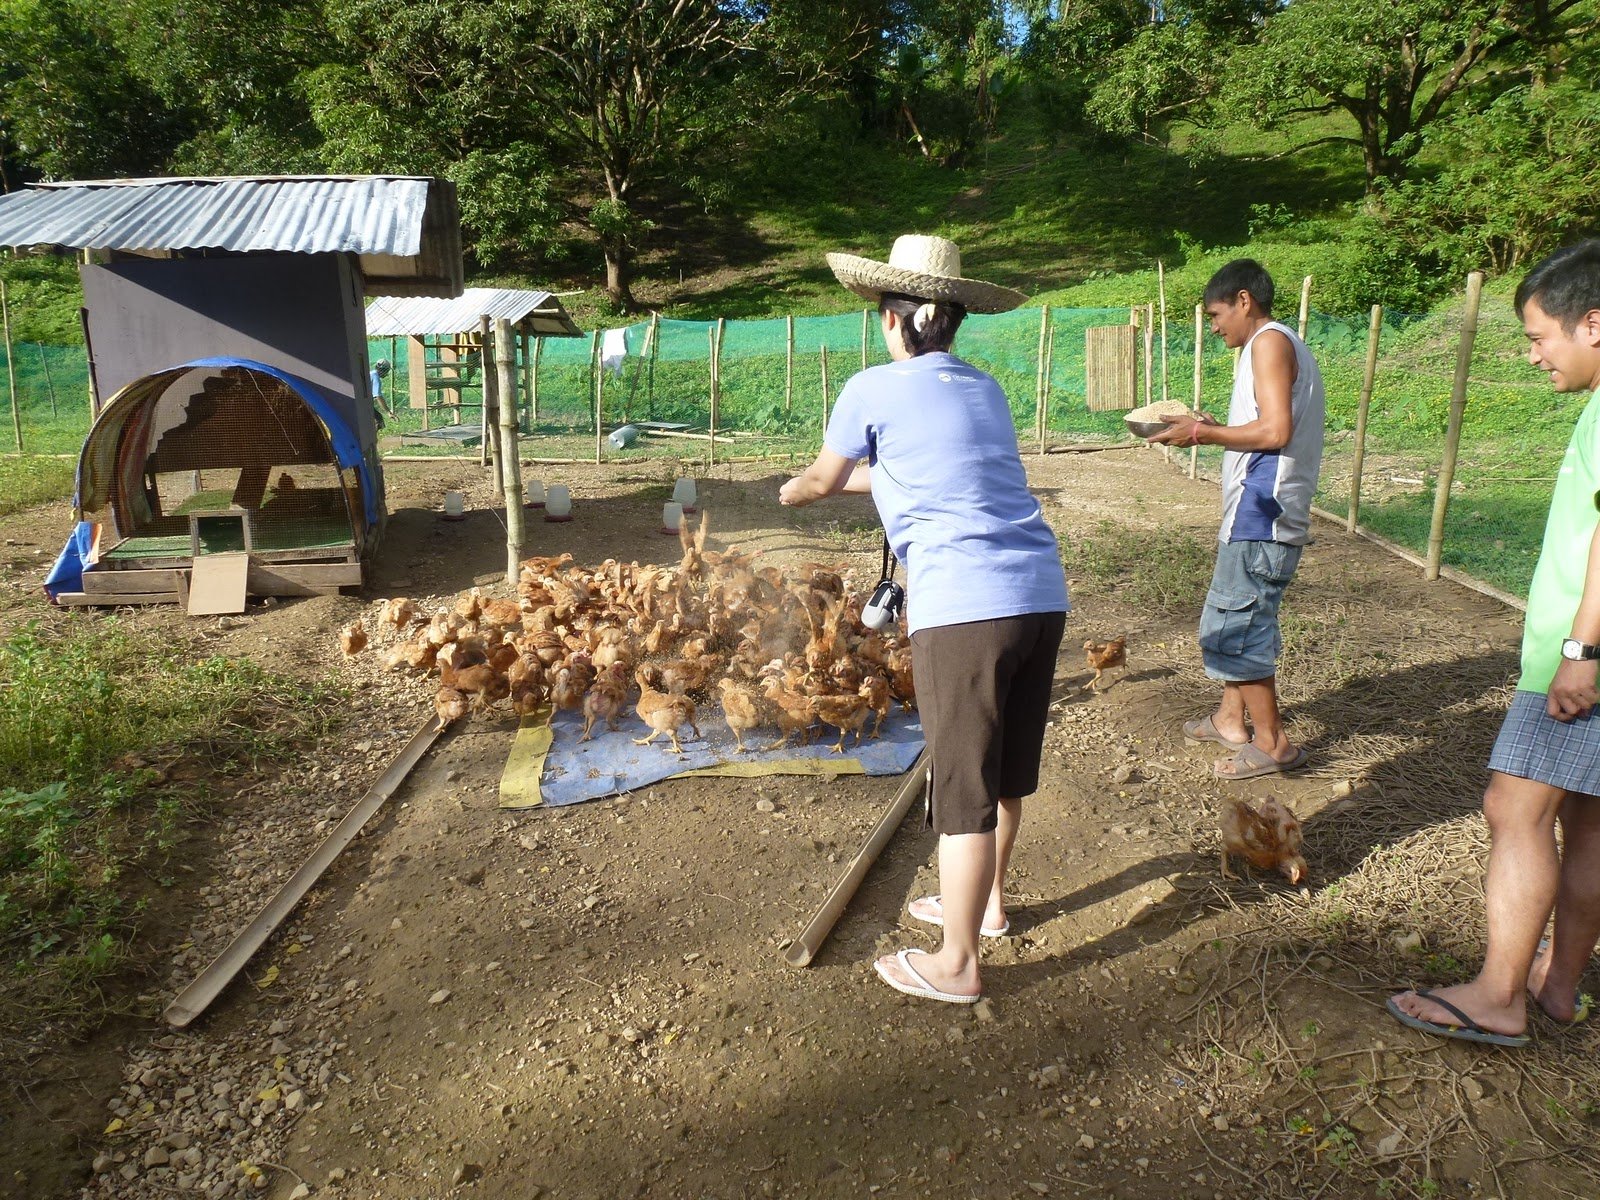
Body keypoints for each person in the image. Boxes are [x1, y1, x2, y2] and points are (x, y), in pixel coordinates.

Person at [779, 234, 1068, 1005]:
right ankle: (991, 906)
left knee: (961, 786)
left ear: (892, 319)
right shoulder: (984, 389)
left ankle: (958, 963)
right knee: (1005, 773)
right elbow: (918, 467)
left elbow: (823, 476)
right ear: (952, 321)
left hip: (966, 609)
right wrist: (843, 482)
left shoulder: (871, 388)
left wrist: (798, 491)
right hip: (1040, 594)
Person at [1388, 240, 1600, 1047]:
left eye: (1540, 335)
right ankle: (1558, 986)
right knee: (1588, 824)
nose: (1535, 354)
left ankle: (1499, 994)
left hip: (1572, 661)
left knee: (1513, 808)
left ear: (1594, 323)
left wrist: (1581, 652)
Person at [1150, 259, 1325, 779]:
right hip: (1256, 511)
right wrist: (1214, 424)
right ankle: (1232, 718)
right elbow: (1266, 424)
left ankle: (1273, 745)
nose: (1214, 325)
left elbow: (1274, 432)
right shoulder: (1272, 343)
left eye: (1216, 313)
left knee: (1234, 626)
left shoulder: (1269, 343)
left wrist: (1201, 435)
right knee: (1240, 615)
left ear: (1244, 300)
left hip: (1262, 514)